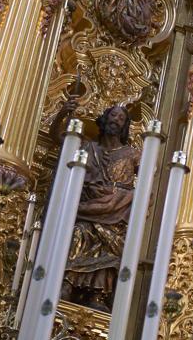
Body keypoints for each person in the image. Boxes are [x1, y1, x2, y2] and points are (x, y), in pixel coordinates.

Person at [54, 103, 141, 310]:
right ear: (105, 118)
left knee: (110, 244)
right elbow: (60, 138)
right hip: (87, 208)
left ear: (125, 125)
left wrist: (122, 198)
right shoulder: (89, 147)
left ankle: (98, 295)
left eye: (121, 118)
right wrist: (62, 114)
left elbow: (149, 178)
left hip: (117, 213)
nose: (116, 120)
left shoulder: (132, 154)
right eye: (113, 115)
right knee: (79, 232)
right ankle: (67, 283)